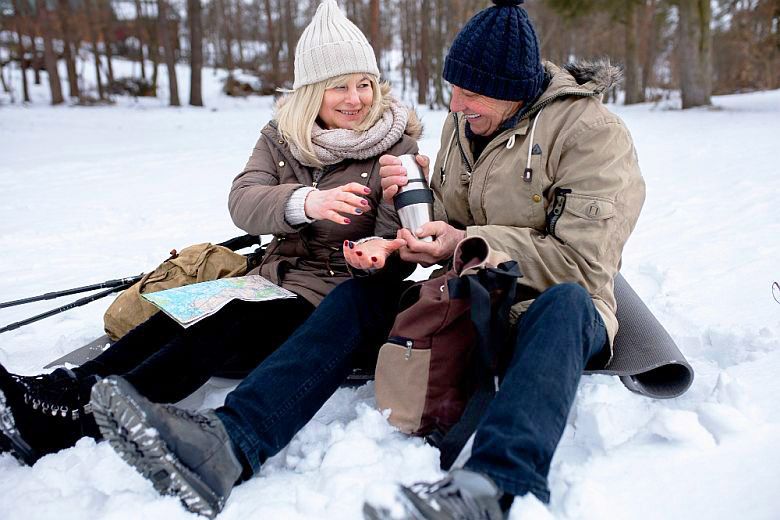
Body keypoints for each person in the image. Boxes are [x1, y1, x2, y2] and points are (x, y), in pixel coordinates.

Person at [88, 0, 646, 518]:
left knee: (567, 303)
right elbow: (444, 221)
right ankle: (230, 444)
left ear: (513, 91)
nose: (454, 106)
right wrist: (403, 225)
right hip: (465, 296)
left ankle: (493, 486)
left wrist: (460, 240)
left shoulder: (593, 136)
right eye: (453, 90)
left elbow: (582, 263)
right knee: (362, 295)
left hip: (552, 309)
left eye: (469, 94)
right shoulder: (467, 122)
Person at [0, 0, 420, 466]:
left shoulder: (396, 149)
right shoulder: (281, 137)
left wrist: (378, 243)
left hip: (329, 298)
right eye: (339, 86)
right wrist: (304, 202)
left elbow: (399, 252)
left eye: (364, 84)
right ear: (310, 93)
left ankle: (81, 421)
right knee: (185, 311)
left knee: (227, 320)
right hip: (271, 280)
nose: (356, 99)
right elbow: (243, 200)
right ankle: (60, 391)